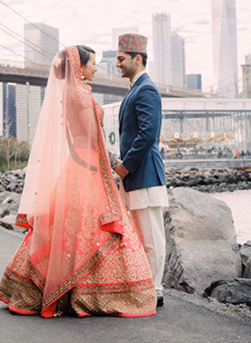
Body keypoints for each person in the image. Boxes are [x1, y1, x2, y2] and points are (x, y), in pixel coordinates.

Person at [0, 45, 156, 318]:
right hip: (88, 164)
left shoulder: (73, 93)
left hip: (80, 162)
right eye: (93, 63)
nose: (97, 68)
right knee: (92, 227)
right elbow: (94, 137)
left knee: (70, 226)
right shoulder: (79, 95)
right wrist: (116, 164)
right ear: (79, 67)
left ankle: (63, 287)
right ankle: (85, 292)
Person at [112, 33, 169, 308]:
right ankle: (145, 284)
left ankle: (156, 289)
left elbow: (147, 135)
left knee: (152, 236)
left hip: (145, 174)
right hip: (135, 175)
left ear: (137, 58)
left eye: (121, 59)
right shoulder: (136, 87)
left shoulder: (146, 88)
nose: (117, 64)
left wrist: (124, 166)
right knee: (141, 234)